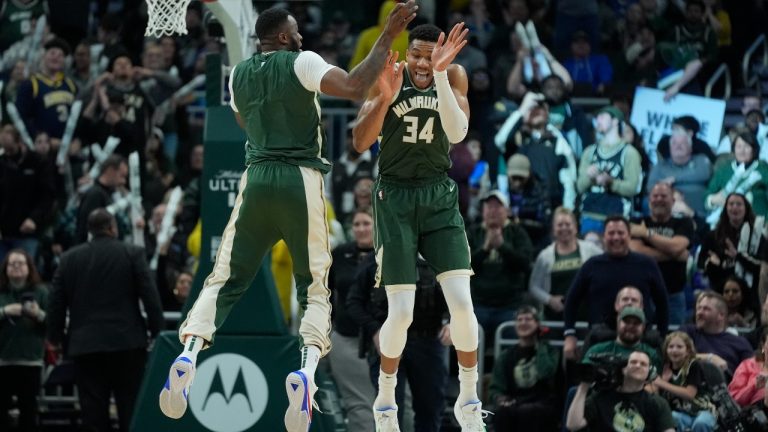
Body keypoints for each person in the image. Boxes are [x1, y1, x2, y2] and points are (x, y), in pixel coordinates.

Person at [158, 5, 419, 432]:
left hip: (256, 175)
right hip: (300, 177)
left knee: (223, 277)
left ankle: (188, 353)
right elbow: (355, 86)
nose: (301, 36)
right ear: (282, 37)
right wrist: (387, 36)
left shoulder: (237, 74)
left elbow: (244, 120)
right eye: (295, 31)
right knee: (314, 286)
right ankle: (306, 372)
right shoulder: (304, 60)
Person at [351, 22, 487, 430]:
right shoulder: (386, 74)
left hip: (438, 194)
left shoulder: (454, 75)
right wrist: (385, 100)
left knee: (463, 305)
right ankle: (386, 398)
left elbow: (458, 133)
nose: (424, 62)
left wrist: (443, 74)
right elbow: (360, 141)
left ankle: (468, 397)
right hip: (394, 196)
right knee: (403, 312)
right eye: (418, 55)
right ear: (407, 54)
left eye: (431, 55)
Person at [47, 209, 164, 432]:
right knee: (130, 410)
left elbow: (56, 303)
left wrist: (56, 338)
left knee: (93, 415)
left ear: (90, 231)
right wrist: (157, 332)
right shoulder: (132, 253)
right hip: (128, 344)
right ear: (112, 228)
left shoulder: (69, 259)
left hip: (85, 347)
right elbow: (151, 297)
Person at [347, 253, 451, 432]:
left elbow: (461, 295)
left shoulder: (438, 255)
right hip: (387, 340)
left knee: (431, 408)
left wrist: (453, 320)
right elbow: (353, 302)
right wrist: (374, 330)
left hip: (427, 340)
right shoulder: (375, 261)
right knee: (389, 411)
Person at [563, 215, 669, 361]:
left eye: (620, 233)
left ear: (629, 236)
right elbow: (571, 301)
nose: (616, 237)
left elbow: (662, 303)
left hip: (640, 338)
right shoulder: (592, 265)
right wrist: (569, 335)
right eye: (611, 233)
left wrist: (662, 337)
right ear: (604, 237)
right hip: (599, 338)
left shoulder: (647, 264)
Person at [328, 208, 376, 431]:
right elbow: (325, 292)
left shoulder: (392, 253)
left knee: (399, 402)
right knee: (359, 405)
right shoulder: (340, 254)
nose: (361, 229)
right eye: (357, 224)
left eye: (366, 223)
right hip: (347, 337)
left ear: (377, 226)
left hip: (382, 339)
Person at [466, 190, 534, 339]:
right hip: (478, 304)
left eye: (498, 207)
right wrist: (485, 249)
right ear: (483, 210)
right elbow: (463, 267)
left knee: (513, 331)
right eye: (489, 207)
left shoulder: (517, 232)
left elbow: (525, 264)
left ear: (507, 211)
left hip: (510, 306)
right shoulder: (473, 233)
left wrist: (502, 247)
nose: (493, 211)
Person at [629, 182, 695, 325]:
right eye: (655, 196)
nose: (659, 199)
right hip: (642, 296)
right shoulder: (636, 221)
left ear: (673, 200)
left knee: (674, 340)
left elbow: (676, 247)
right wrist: (675, 254)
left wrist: (646, 233)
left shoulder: (684, 222)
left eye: (664, 196)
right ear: (649, 200)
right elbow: (637, 252)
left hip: (673, 296)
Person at [489, 305, 560, 432]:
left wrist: (540, 343)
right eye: (519, 320)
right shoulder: (506, 356)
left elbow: (546, 373)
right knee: (502, 412)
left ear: (538, 324)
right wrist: (500, 399)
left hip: (542, 403)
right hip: (514, 402)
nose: (523, 323)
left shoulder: (549, 351)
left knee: (529, 412)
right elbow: (495, 388)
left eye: (528, 319)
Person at [566, 350, 676, 432]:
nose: (638, 365)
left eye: (643, 364)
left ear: (649, 373)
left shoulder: (657, 403)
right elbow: (573, 425)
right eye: (633, 362)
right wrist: (583, 387)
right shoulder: (600, 397)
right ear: (623, 369)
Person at [0, 249, 48, 431]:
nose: (17, 267)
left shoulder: (42, 292)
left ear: (29, 268)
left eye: (21, 263)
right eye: (12, 263)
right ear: (5, 268)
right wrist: (5, 311)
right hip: (2, 361)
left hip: (31, 361)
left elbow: (53, 322)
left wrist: (39, 314)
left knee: (29, 412)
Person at [529, 206, 602, 320]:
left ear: (575, 227)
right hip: (555, 317)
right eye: (560, 225)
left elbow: (606, 268)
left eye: (568, 224)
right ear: (553, 229)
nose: (564, 228)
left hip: (586, 316)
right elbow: (534, 286)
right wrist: (549, 300)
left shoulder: (591, 250)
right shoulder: (544, 256)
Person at [652, 331, 717, 432]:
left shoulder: (693, 365)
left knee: (700, 423)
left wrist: (662, 383)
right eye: (671, 346)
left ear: (688, 351)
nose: (674, 350)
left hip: (703, 411)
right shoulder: (664, 368)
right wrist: (663, 380)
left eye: (679, 347)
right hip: (682, 414)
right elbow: (656, 397)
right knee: (672, 418)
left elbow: (689, 394)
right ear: (666, 350)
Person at [680, 291, 753, 375]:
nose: (699, 312)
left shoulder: (739, 342)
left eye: (706, 309)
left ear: (721, 315)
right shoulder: (688, 332)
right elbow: (675, 355)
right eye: (699, 308)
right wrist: (710, 358)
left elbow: (752, 371)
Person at [729, 328, 768, 407]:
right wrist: (754, 385)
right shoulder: (747, 365)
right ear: (763, 346)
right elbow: (734, 401)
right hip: (756, 413)